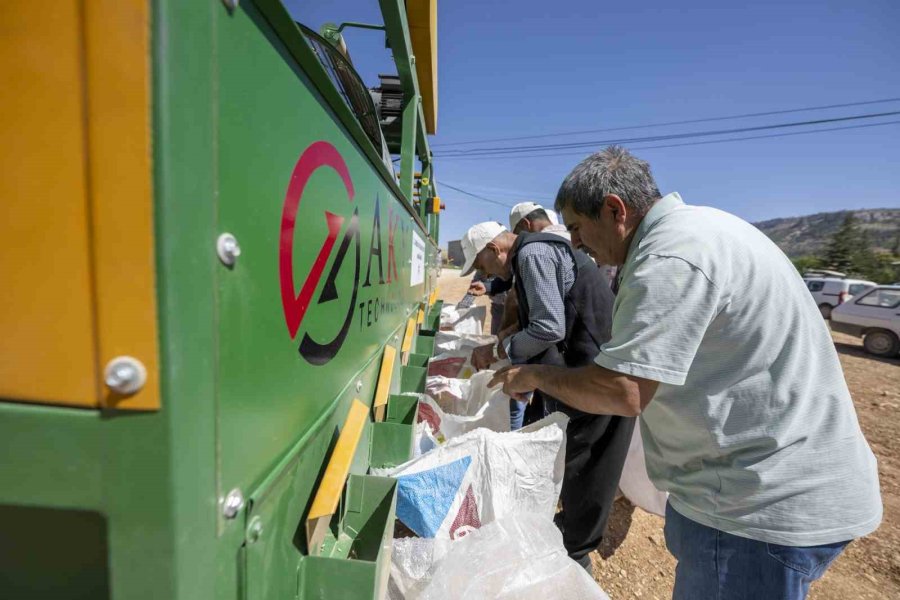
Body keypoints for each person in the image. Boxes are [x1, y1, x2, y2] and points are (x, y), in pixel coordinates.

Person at [490, 146, 882, 600]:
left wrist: (535, 375)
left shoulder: (670, 257)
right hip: (765, 490)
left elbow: (623, 390)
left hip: (755, 510)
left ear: (614, 210)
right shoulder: (701, 230)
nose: (575, 243)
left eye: (577, 228)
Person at [459, 220, 635, 571]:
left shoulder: (533, 254)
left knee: (586, 467)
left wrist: (503, 352)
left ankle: (573, 562)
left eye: (481, 264)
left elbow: (547, 327)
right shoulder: (530, 256)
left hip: (597, 375)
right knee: (572, 462)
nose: (483, 272)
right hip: (584, 370)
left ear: (495, 249)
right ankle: (565, 542)